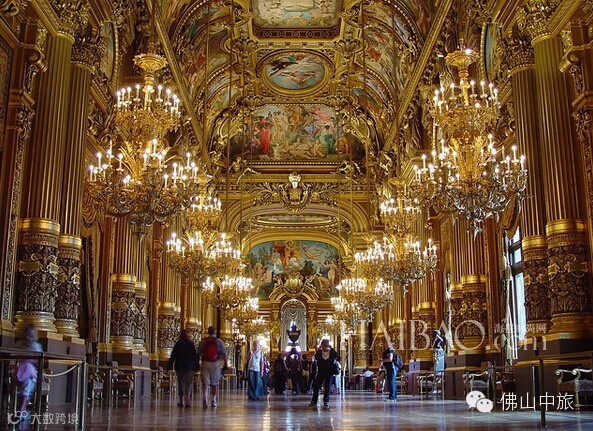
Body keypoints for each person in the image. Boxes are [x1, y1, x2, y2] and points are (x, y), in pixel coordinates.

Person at [15, 324, 43, 416]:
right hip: (21, 370)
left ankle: (22, 407)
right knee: (28, 383)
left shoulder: (36, 346)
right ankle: (23, 408)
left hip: (28, 371)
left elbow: (38, 361)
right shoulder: (19, 345)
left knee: (29, 383)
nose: (29, 338)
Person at [168, 329, 199, 407]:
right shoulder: (190, 344)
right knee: (189, 383)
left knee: (181, 382)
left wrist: (169, 366)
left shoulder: (178, 344)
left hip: (179, 366)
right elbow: (195, 356)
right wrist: (197, 366)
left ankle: (181, 401)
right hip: (189, 367)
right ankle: (187, 400)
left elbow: (173, 356)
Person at [197, 326, 227, 407]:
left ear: (208, 332)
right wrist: (225, 364)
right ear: (215, 332)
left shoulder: (203, 341)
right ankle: (213, 400)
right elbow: (224, 354)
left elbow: (199, 353)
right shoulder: (219, 341)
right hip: (215, 363)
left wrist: (197, 363)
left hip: (205, 362)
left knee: (205, 382)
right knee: (215, 383)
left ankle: (205, 397)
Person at [309, 339, 338, 410]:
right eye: (324, 345)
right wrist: (319, 349)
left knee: (328, 386)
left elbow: (336, 355)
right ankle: (314, 400)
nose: (325, 347)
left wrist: (331, 348)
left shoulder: (331, 352)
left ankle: (326, 401)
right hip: (321, 371)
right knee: (316, 386)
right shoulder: (319, 352)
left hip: (329, 372)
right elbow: (316, 357)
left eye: (326, 345)